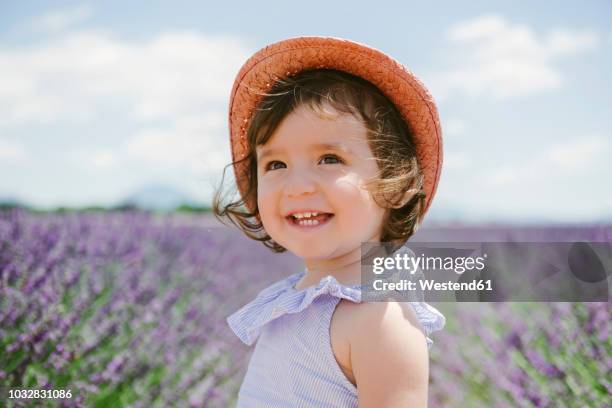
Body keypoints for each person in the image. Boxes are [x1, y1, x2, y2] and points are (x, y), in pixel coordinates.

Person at [214, 36, 446, 407]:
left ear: (398, 183)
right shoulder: (295, 299)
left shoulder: (379, 319)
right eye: (276, 164)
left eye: (329, 159)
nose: (299, 185)